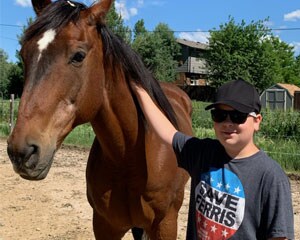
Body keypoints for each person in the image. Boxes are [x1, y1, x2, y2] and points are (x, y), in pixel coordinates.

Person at [131, 79, 294, 240]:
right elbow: (167, 132)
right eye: (219, 115)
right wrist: (138, 87)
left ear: (257, 121)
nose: (227, 123)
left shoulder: (271, 177)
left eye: (238, 116)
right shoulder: (203, 153)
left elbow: (279, 236)